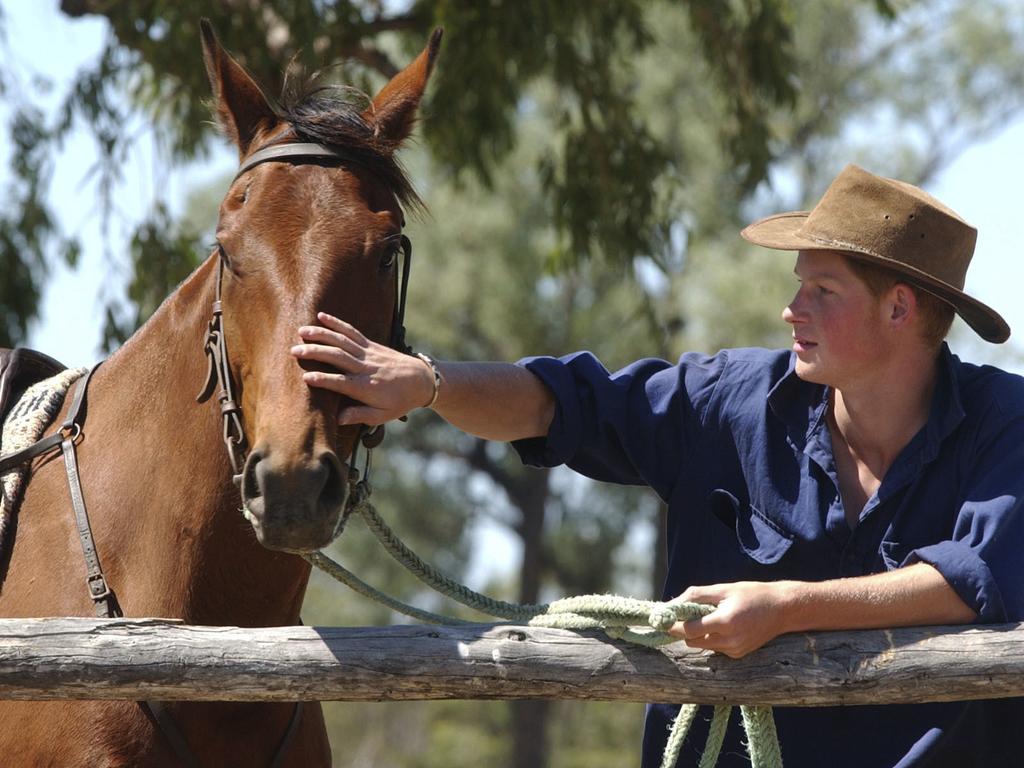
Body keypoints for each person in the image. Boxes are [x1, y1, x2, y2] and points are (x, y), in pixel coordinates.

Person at [290, 164, 1024, 767]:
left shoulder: (1009, 425)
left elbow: (968, 582)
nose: (790, 310)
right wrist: (429, 384)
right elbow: (559, 405)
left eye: (820, 291)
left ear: (899, 310)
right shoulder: (726, 400)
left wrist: (785, 607)